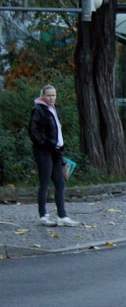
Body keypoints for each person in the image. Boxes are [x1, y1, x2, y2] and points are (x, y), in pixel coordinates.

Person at [28, 85, 80, 227]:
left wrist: (58, 146)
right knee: (44, 182)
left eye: (54, 95)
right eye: (49, 95)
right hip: (44, 151)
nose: (52, 98)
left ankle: (62, 216)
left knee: (60, 183)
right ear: (43, 95)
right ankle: (43, 215)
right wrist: (44, 144)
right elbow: (33, 130)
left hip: (56, 151)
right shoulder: (38, 109)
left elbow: (57, 129)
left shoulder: (55, 109)